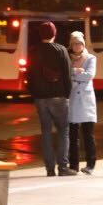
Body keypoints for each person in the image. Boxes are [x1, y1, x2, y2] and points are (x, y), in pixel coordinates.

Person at [25, 20, 73, 175]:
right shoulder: (61, 50)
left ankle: (50, 169)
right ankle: (63, 167)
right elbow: (67, 74)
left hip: (40, 98)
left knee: (46, 131)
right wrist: (67, 94)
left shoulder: (33, 51)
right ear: (54, 34)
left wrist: (34, 93)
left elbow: (29, 76)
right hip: (58, 96)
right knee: (63, 131)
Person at [67, 30, 98, 174]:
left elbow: (89, 75)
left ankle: (90, 165)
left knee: (88, 134)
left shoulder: (91, 58)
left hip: (86, 100)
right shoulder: (68, 58)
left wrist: (74, 73)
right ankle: (73, 165)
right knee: (72, 135)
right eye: (74, 44)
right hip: (72, 99)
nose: (77, 46)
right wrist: (76, 71)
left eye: (79, 43)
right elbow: (67, 74)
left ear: (83, 44)